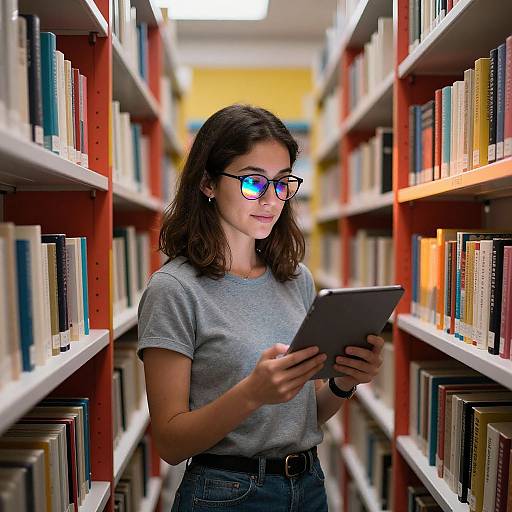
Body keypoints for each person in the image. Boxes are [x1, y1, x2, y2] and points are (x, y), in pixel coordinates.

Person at [137, 104, 385, 511]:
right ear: (208, 184)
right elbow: (170, 443)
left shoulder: (296, 278)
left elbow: (308, 416)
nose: (271, 200)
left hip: (308, 486)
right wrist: (252, 393)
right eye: (254, 182)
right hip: (225, 494)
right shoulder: (174, 290)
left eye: (282, 183)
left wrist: (344, 382)